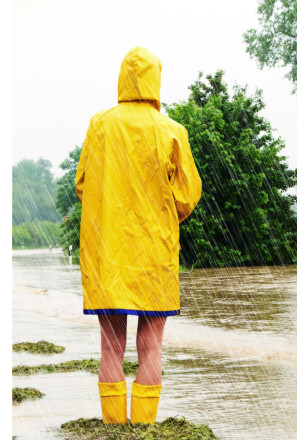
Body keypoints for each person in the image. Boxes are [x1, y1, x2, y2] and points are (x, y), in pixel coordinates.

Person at [76, 47, 202, 425]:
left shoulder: (100, 125)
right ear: (155, 82)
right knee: (151, 348)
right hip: (154, 255)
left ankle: (114, 430)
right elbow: (188, 194)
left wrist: (111, 209)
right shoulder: (171, 131)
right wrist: (161, 212)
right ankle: (145, 429)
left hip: (108, 254)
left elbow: (82, 184)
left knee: (111, 348)